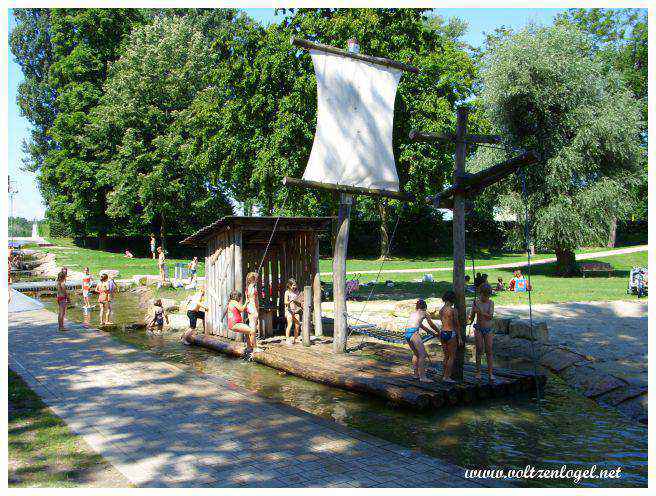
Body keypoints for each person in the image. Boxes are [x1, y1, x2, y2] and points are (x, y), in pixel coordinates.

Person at [404, 299, 440, 382]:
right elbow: (431, 324)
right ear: (425, 306)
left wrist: (431, 333)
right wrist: (438, 331)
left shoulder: (413, 313)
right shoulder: (424, 313)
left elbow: (421, 325)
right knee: (422, 355)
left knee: (416, 354)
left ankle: (415, 375)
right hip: (414, 334)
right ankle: (423, 377)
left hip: (407, 333)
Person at [469, 283, 496, 383]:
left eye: (487, 296)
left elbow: (490, 316)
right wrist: (469, 319)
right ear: (480, 293)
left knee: (489, 350)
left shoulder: (490, 303)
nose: (485, 297)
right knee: (479, 349)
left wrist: (480, 312)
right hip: (479, 328)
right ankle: (478, 371)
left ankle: (490, 372)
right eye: (484, 295)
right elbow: (471, 316)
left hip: (488, 329)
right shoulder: (476, 302)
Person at [439, 290, 462, 383]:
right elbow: (456, 324)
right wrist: (459, 337)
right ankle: (446, 377)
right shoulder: (453, 310)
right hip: (450, 333)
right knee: (451, 357)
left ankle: (443, 374)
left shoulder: (441, 310)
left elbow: (442, 322)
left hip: (442, 333)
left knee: (445, 356)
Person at [284, 278, 302, 345]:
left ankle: (296, 338)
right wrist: (290, 301)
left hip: (296, 310)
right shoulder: (287, 292)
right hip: (289, 310)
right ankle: (287, 338)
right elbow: (285, 302)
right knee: (290, 324)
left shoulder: (297, 292)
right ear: (289, 285)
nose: (294, 287)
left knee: (297, 324)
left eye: (295, 285)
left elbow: (300, 300)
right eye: (293, 285)